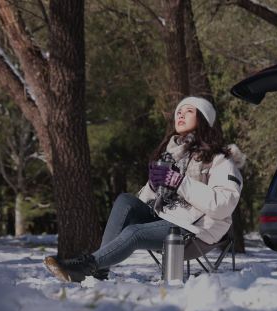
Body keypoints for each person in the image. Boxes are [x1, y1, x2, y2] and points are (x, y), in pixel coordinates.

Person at [44, 96, 245, 283]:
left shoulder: (220, 159)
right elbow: (147, 201)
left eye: (189, 111)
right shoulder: (172, 156)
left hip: (197, 232)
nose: (180, 114)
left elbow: (223, 205)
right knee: (125, 201)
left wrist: (178, 182)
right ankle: (99, 271)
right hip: (168, 218)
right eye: (178, 112)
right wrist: (153, 186)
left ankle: (86, 268)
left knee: (135, 232)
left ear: (203, 119)